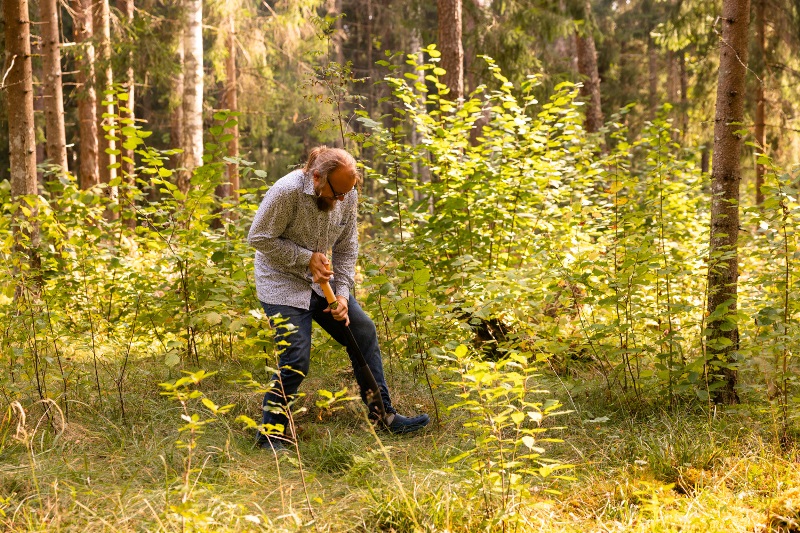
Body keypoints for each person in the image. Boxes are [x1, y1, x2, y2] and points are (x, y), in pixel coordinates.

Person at [248, 146, 429, 451]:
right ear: (317, 177)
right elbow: (258, 237)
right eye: (337, 193)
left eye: (348, 192)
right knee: (296, 356)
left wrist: (342, 295)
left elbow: (346, 248)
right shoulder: (287, 191)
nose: (343, 199)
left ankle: (383, 416)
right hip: (281, 282)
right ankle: (270, 434)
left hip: (323, 283)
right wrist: (306, 258)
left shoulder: (347, 193)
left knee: (362, 332)